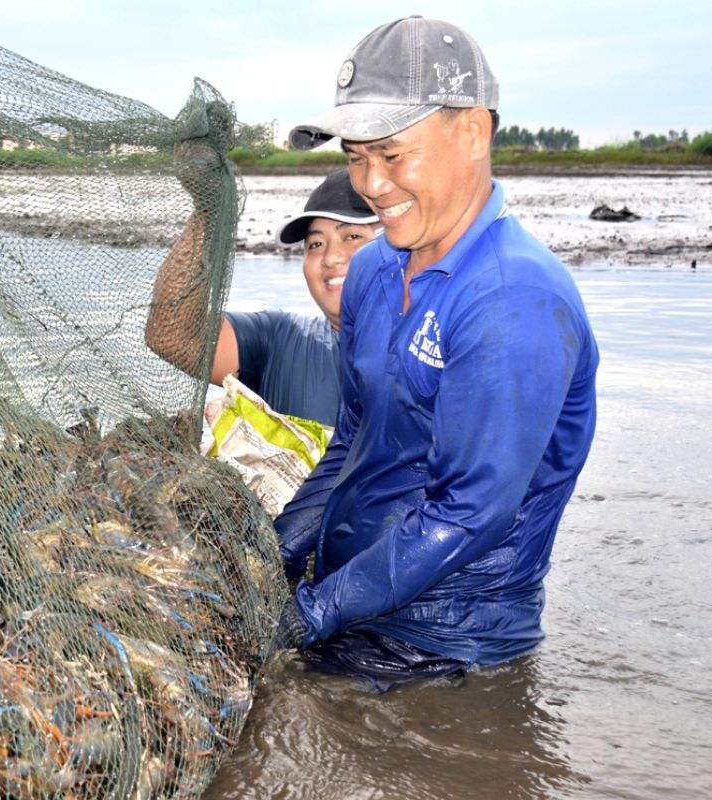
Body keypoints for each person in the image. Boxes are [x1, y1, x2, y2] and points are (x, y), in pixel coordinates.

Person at [272, 16, 600, 692]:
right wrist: (271, 557)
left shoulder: (514, 300)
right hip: (347, 607)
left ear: (473, 131)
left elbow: (468, 513)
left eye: (391, 155)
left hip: (443, 649)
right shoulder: (372, 270)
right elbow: (352, 444)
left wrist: (308, 615)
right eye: (355, 156)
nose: (370, 182)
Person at [145, 168, 377, 428]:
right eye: (316, 244)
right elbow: (170, 334)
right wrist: (207, 208)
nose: (331, 258)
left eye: (353, 237)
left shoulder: (429, 348)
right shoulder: (280, 339)